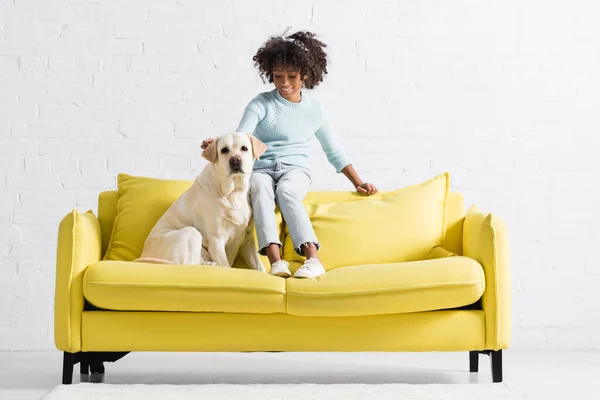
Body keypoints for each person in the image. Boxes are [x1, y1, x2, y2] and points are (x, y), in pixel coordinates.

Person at [202, 27, 377, 279]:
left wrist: (358, 182)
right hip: (261, 169)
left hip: (295, 170)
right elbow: (242, 136)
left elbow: (333, 151)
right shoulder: (261, 103)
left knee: (285, 192)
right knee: (261, 190)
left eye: (292, 76)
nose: (284, 83)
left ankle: (313, 260)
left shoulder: (314, 110)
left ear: (305, 74)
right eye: (277, 76)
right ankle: (276, 263)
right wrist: (218, 143)